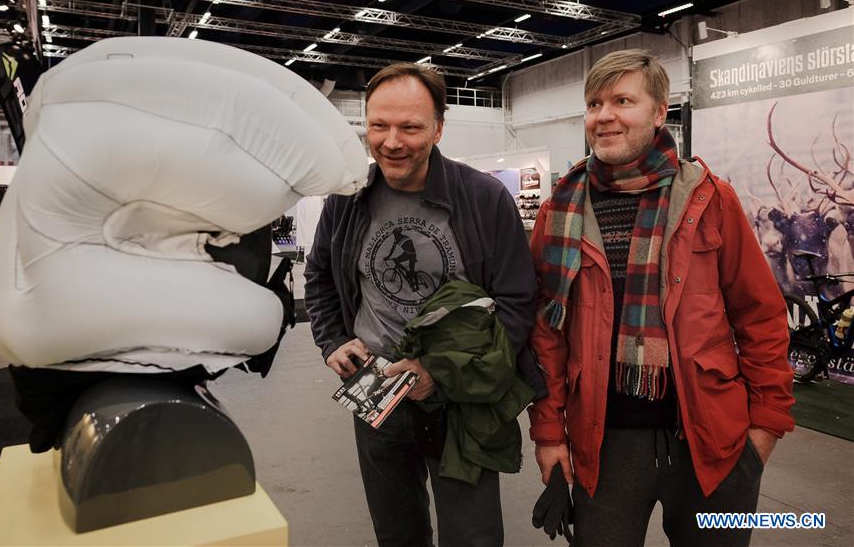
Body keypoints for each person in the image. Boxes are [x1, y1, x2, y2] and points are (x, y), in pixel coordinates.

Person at [528, 49, 794, 546]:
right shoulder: (560, 211)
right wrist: (548, 433)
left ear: (658, 112)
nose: (603, 115)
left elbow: (759, 315)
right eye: (594, 104)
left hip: (710, 439)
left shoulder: (709, 199)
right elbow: (547, 335)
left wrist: (765, 428)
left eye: (622, 101)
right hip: (602, 444)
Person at [304, 62, 544, 547]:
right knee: (397, 532)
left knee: (473, 536)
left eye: (410, 127)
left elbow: (518, 302)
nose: (392, 142)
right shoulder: (348, 198)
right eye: (379, 126)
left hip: (461, 399)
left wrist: (441, 370)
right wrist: (332, 341)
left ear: (438, 128)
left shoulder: (483, 198)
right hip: (375, 390)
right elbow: (320, 275)